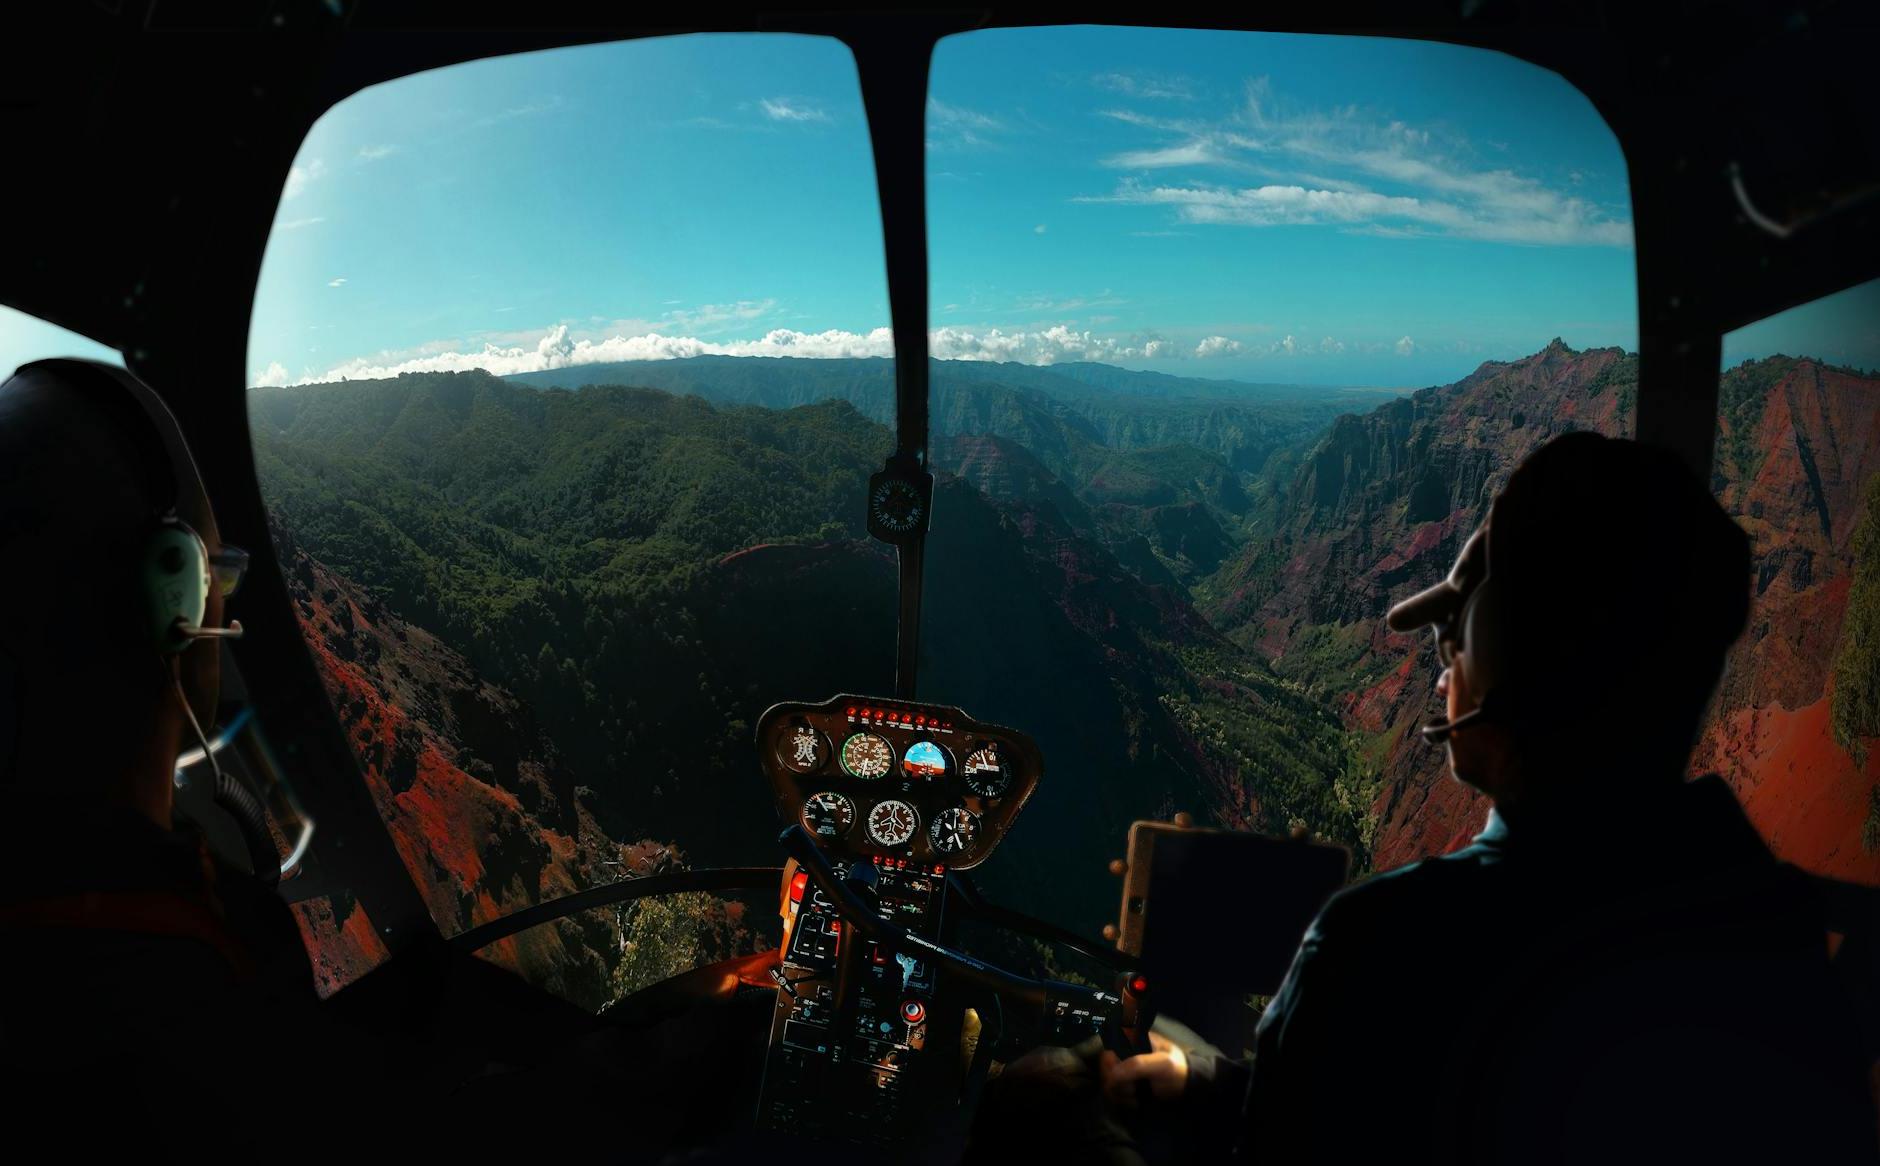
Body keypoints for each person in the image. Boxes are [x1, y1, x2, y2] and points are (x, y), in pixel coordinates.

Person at [1100, 431, 1878, 1162]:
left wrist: (1169, 1090)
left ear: (1504, 659)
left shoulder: (1381, 945)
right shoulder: (1779, 935)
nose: (1441, 674)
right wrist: (1202, 1081)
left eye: (1457, 643)